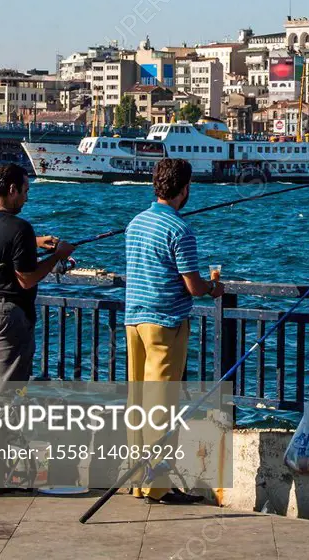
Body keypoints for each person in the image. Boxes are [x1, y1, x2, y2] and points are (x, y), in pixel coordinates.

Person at [124, 158, 225, 505]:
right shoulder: (181, 231)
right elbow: (193, 287)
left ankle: (138, 479)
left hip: (133, 321)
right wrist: (215, 288)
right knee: (161, 406)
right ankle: (158, 485)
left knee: (138, 402)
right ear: (184, 189)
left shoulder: (135, 224)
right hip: (165, 324)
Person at [0, 164, 75, 406]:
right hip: (6, 314)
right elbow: (26, 279)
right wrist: (58, 255)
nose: (27, 198)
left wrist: (34, 242)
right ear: (12, 189)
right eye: (25, 191)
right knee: (7, 394)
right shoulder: (20, 227)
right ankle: (1, 441)